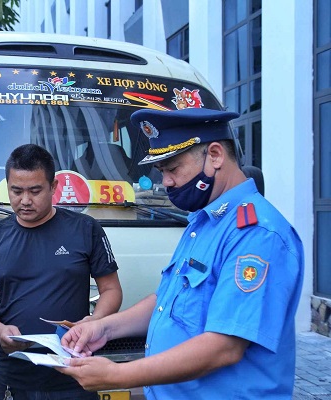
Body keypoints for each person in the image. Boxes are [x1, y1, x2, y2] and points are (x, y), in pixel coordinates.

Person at [58, 108, 304, 399]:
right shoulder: (205, 220)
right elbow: (168, 300)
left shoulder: (256, 234)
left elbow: (224, 347)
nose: (168, 183)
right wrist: (104, 328)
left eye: (173, 169)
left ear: (215, 155)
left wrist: (117, 374)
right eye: (162, 172)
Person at [0, 143, 123, 400]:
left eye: (35, 191)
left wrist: (95, 322)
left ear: (54, 188)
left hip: (75, 369)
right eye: (16, 191)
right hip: (16, 373)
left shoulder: (85, 229)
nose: (25, 200)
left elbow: (111, 290)